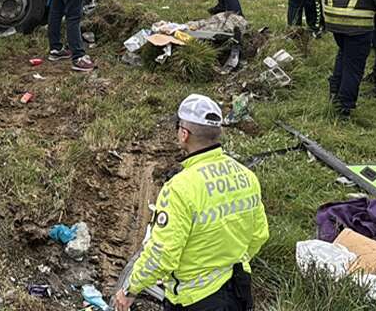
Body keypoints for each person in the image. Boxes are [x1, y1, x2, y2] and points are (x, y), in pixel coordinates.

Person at [115, 95, 269, 311]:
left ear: (184, 134)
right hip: (237, 290)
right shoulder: (246, 176)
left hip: (194, 301)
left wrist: (130, 289)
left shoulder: (179, 188)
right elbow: (259, 235)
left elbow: (162, 254)